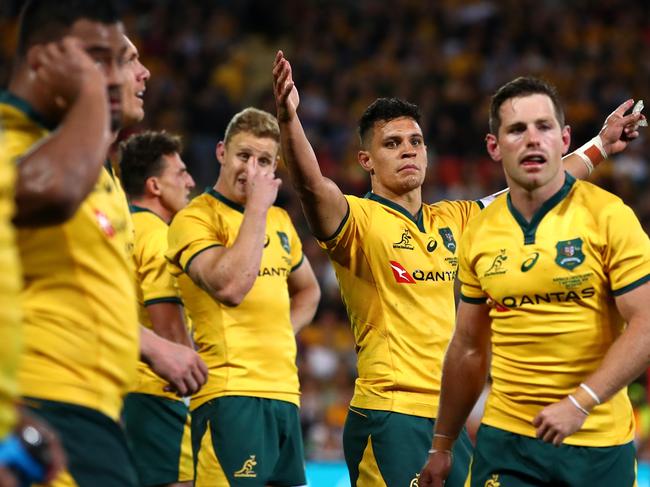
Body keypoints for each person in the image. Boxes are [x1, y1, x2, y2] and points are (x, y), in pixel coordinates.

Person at [272, 51, 644, 486]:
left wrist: (601, 144)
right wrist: (288, 119)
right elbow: (311, 185)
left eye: (415, 141)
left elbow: (543, 181)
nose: (407, 151)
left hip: (449, 421)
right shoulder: (357, 221)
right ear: (366, 160)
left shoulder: (457, 219)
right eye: (391, 144)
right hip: (392, 414)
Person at [3, 1, 206, 485]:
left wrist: (149, 345)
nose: (128, 75)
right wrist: (97, 99)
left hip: (88, 411)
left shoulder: (96, 172)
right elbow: (48, 194)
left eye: (127, 60)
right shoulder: (19, 144)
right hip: (47, 399)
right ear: (43, 60)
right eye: (104, 58)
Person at [419, 76, 650, 487]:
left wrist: (582, 402)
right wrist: (442, 444)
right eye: (516, 129)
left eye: (543, 127)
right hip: (507, 445)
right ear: (494, 146)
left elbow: (646, 324)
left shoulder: (609, 216)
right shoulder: (480, 232)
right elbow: (469, 348)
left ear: (564, 139)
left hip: (597, 446)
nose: (532, 139)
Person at [167, 107, 321, 486]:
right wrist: (256, 207)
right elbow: (230, 287)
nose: (251, 170)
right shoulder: (195, 219)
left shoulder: (280, 222)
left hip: (285, 395)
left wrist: (284, 330)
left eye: (264, 161)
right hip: (229, 395)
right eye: (244, 156)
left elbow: (309, 290)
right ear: (221, 152)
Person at [120, 130, 196, 487]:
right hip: (159, 391)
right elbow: (170, 331)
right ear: (154, 185)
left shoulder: (118, 228)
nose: (190, 181)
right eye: (180, 173)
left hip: (121, 390)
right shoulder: (159, 236)